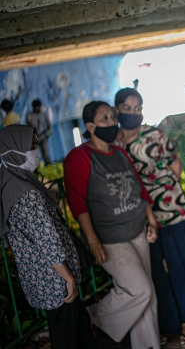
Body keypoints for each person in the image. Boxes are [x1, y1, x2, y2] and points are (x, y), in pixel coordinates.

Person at [113, 88, 185, 347]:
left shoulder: (154, 135)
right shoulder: (114, 141)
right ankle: (163, 324)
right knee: (153, 274)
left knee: (180, 266)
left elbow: (175, 164)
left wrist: (164, 189)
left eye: (138, 108)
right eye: (127, 108)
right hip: (138, 217)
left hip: (171, 210)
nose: (133, 113)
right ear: (117, 109)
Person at [63, 101, 160, 349]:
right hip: (109, 237)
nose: (112, 122)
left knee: (148, 294)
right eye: (104, 119)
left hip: (137, 229)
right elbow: (78, 203)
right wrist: (93, 240)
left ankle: (148, 345)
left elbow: (140, 190)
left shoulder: (119, 153)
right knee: (140, 289)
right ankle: (94, 315)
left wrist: (151, 222)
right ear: (90, 126)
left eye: (113, 117)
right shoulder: (79, 157)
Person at [0, 125, 98, 349]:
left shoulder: (9, 182)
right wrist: (69, 278)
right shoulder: (26, 194)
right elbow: (47, 242)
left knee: (75, 331)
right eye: (31, 146)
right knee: (71, 337)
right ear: (14, 150)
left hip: (41, 278)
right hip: (56, 279)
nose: (36, 151)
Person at [26, 99, 52, 164]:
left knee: (46, 154)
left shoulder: (44, 114)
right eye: (35, 107)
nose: (37, 109)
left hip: (43, 136)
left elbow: (48, 125)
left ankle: (49, 166)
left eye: (38, 107)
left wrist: (48, 133)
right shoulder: (29, 115)